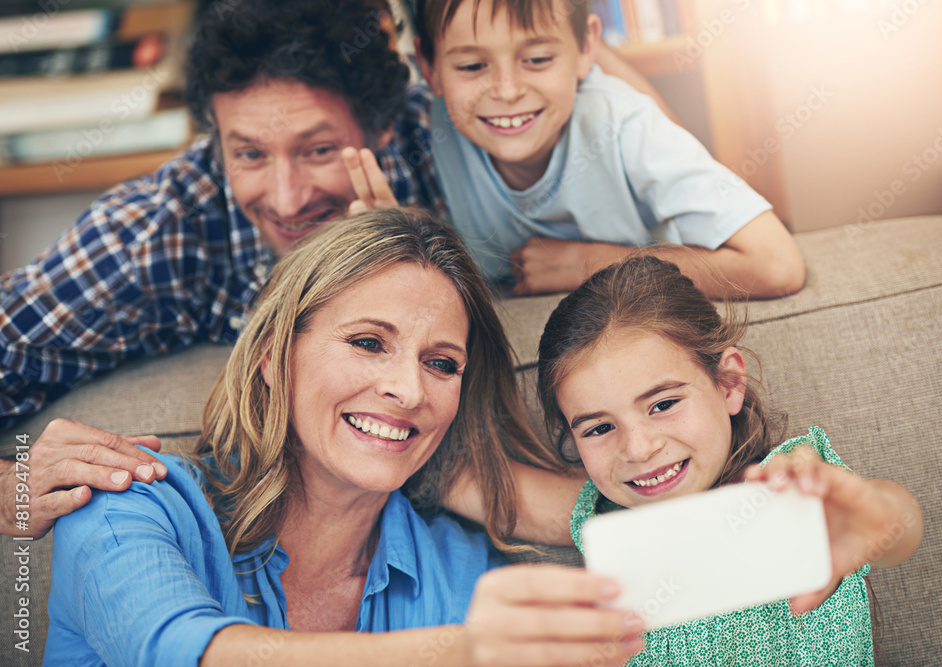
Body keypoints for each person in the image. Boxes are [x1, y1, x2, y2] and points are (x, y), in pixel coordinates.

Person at [0, 0, 674, 538]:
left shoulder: (459, 140)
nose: (287, 197)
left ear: (384, 127)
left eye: (319, 148)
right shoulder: (153, 234)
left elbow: (651, 160)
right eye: (250, 154)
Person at [45, 207, 646, 667]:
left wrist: (737, 515)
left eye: (441, 363)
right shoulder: (130, 503)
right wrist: (463, 652)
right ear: (274, 357)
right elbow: (189, 653)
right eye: (367, 343)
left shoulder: (457, 567)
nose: (409, 390)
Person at [534, 255, 923, 665]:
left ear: (728, 383)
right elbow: (484, 488)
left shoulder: (791, 487)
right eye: (598, 429)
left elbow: (896, 523)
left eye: (663, 404)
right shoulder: (604, 519)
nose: (637, 449)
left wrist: (874, 516)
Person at [408, 0, 805, 297]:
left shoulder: (624, 125)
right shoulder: (428, 124)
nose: (507, 91)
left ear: (586, 49)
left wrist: (590, 265)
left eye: (538, 59)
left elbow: (778, 265)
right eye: (472, 67)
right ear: (429, 67)